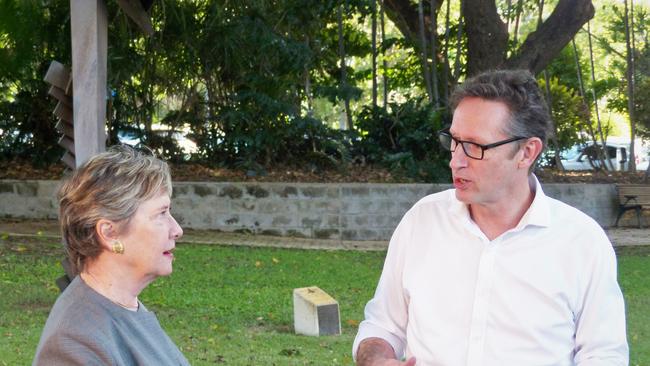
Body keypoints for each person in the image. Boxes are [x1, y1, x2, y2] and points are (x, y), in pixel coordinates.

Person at [352, 69, 628, 366]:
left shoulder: (581, 242)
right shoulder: (422, 222)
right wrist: (378, 360)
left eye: (474, 147)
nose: (455, 160)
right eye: (454, 141)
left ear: (526, 152)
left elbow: (603, 355)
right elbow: (382, 326)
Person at [33, 145, 190, 365]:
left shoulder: (124, 307)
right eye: (161, 213)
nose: (177, 230)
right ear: (109, 233)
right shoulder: (74, 344)